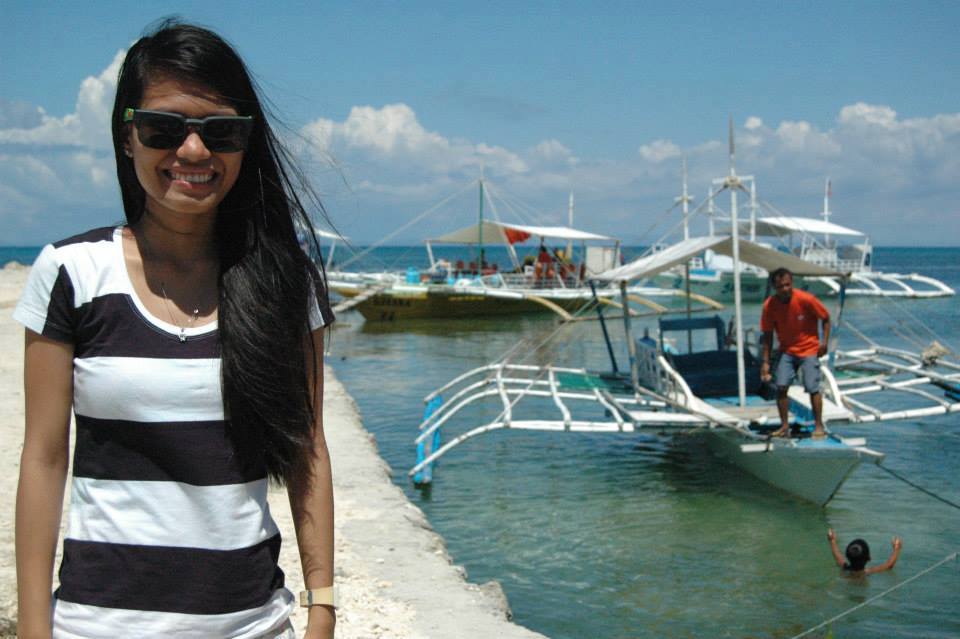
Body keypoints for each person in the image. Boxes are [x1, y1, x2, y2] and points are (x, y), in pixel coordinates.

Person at [15, 21, 335, 639]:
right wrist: (34, 626)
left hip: (251, 625)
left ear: (246, 143)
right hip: (97, 624)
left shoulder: (280, 284)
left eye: (221, 132)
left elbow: (308, 451)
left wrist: (322, 608)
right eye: (164, 128)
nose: (193, 152)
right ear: (127, 136)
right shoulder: (72, 272)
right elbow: (44, 457)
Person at [759, 267, 831, 439]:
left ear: (792, 283)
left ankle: (818, 425)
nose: (785, 289)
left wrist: (824, 343)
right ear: (775, 287)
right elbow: (767, 335)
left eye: (787, 285)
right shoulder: (769, 305)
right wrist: (765, 362)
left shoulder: (806, 299)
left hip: (809, 349)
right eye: (780, 286)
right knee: (781, 386)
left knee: (812, 387)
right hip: (787, 350)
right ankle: (784, 426)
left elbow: (826, 318)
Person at [828, 529, 902, 575]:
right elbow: (889, 565)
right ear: (869, 558)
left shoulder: (845, 568)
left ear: (847, 556)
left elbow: (837, 556)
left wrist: (832, 541)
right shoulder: (868, 572)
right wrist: (897, 548)